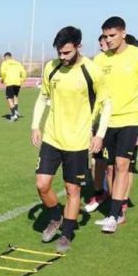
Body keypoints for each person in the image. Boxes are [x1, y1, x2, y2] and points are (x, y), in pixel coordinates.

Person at [32, 26, 111, 252]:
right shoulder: (51, 67)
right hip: (52, 137)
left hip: (77, 142)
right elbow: (42, 98)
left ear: (79, 47)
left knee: (72, 190)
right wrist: (35, 126)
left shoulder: (91, 71)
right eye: (59, 52)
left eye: (67, 52)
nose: (62, 56)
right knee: (42, 184)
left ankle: (66, 234)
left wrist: (100, 134)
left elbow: (107, 103)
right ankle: (56, 217)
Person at [92, 17, 138, 234]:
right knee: (109, 168)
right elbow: (95, 95)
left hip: (131, 120)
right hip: (106, 123)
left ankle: (114, 215)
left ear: (123, 33)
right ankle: (116, 209)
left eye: (112, 35)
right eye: (105, 36)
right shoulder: (99, 60)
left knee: (122, 165)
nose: (108, 40)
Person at [85, 35, 111, 212]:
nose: (103, 45)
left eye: (106, 42)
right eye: (102, 42)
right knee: (96, 159)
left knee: (115, 164)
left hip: (119, 119)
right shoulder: (96, 62)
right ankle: (100, 192)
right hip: (98, 117)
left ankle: (117, 202)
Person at [0, 52, 27, 121]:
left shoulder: (5, 63)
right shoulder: (18, 63)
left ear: (5, 57)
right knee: (15, 96)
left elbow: (3, 72)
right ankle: (16, 111)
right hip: (18, 82)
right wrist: (22, 79)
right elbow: (24, 72)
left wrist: (3, 79)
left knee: (9, 98)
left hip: (9, 82)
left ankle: (13, 114)